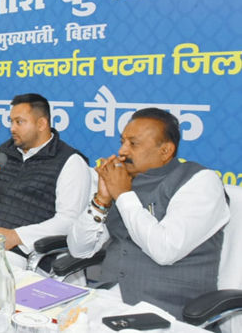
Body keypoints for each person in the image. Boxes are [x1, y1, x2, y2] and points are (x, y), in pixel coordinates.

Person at [67, 108, 229, 320]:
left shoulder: (200, 182)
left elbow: (165, 250)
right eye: (122, 142)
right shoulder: (125, 182)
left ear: (166, 151)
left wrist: (123, 195)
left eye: (133, 144)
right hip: (106, 299)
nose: (122, 151)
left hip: (164, 310)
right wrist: (101, 201)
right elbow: (79, 249)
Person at [0, 93, 91, 259]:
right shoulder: (4, 153)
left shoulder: (70, 162)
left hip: (16, 254)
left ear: (41, 124)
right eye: (11, 122)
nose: (12, 128)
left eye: (19, 122)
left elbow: (69, 221)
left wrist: (17, 236)